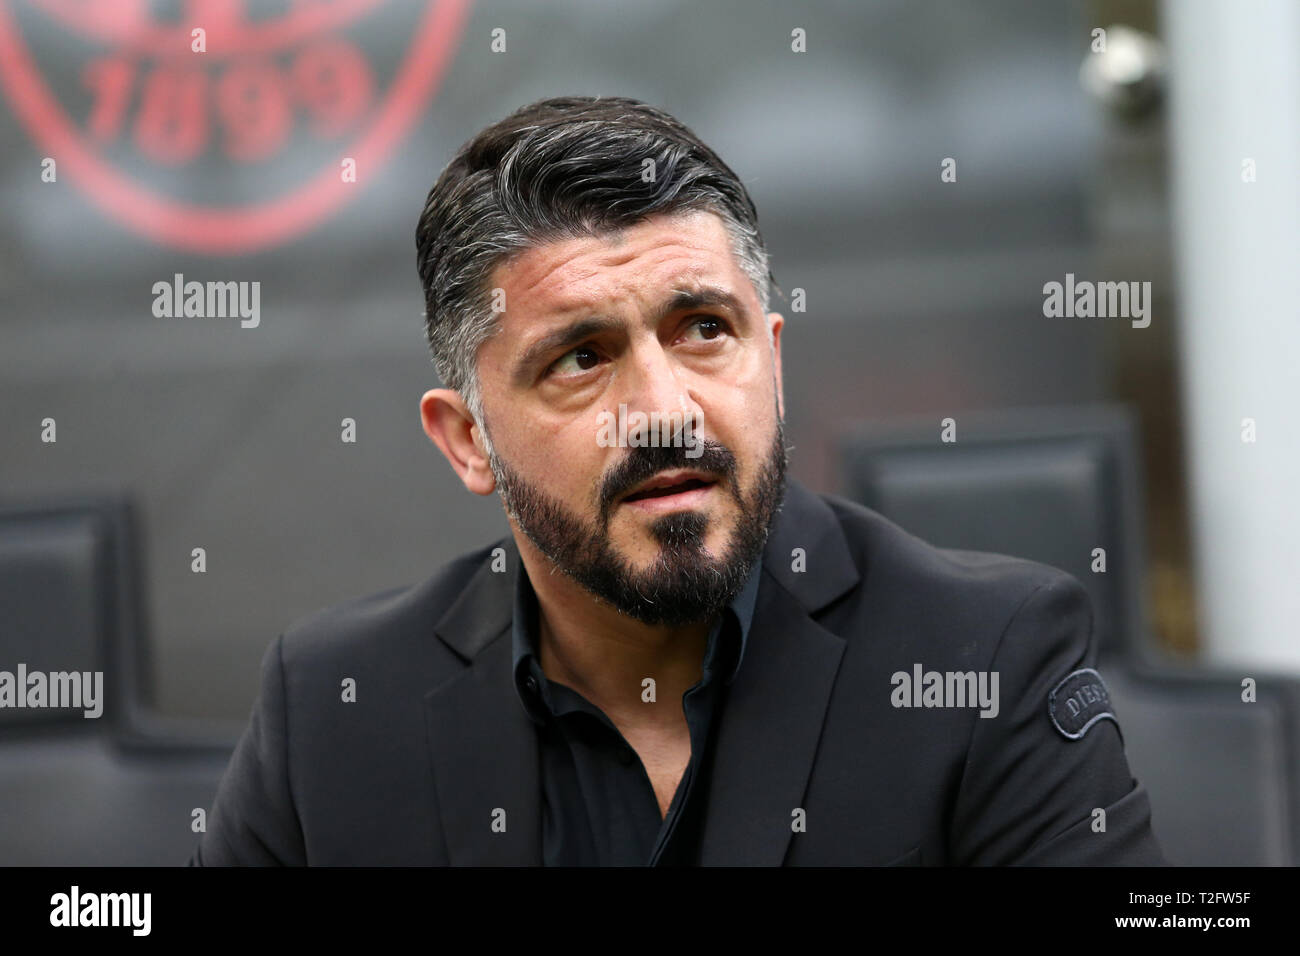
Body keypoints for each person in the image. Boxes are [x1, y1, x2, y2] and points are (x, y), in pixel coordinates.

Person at [190, 95, 1166, 866]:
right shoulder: (333, 707)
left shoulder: (982, 659)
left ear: (771, 363)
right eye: (580, 356)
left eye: (704, 329)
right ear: (467, 438)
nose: (664, 409)